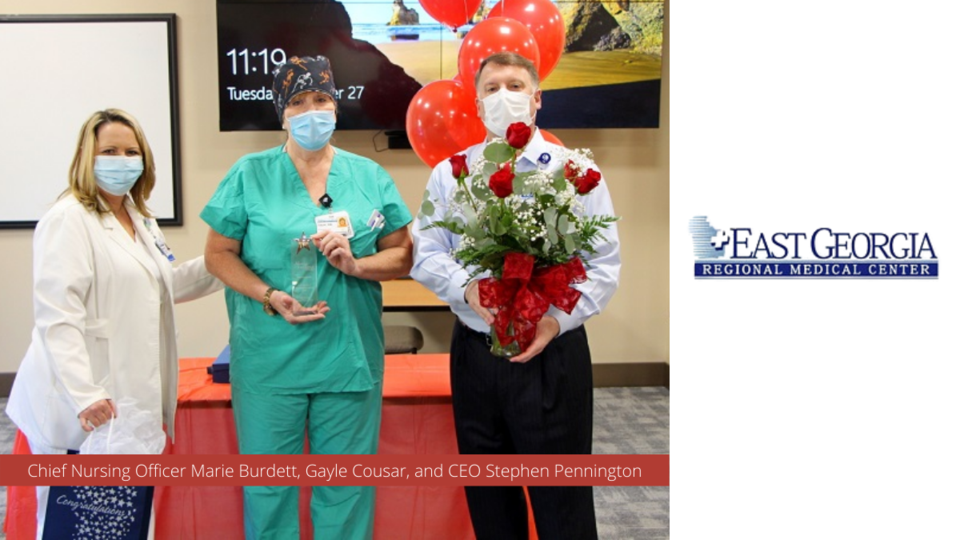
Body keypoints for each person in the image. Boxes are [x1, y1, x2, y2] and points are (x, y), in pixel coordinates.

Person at [410, 52, 621, 540]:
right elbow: (426, 251)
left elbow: (603, 266)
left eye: (516, 85)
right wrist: (467, 287)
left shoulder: (575, 172)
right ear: (478, 103)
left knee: (562, 503)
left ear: (537, 98)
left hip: (553, 355)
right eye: (491, 88)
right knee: (490, 502)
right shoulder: (451, 173)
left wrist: (553, 322)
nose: (504, 96)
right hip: (476, 353)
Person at [201, 55, 413, 540]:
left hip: (348, 357)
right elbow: (217, 255)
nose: (311, 110)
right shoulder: (248, 174)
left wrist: (358, 265)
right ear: (282, 112)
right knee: (268, 490)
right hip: (270, 361)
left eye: (320, 99)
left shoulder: (368, 176)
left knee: (347, 489)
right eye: (298, 101)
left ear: (335, 107)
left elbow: (401, 254)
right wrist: (267, 293)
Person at [5, 108, 223, 538]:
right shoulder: (68, 219)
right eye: (109, 151)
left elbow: (163, 283)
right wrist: (84, 394)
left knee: (124, 518)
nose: (121, 160)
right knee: (77, 522)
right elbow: (57, 316)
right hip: (83, 404)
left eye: (131, 151)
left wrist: (227, 261)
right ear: (87, 156)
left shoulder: (139, 217)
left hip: (130, 397)